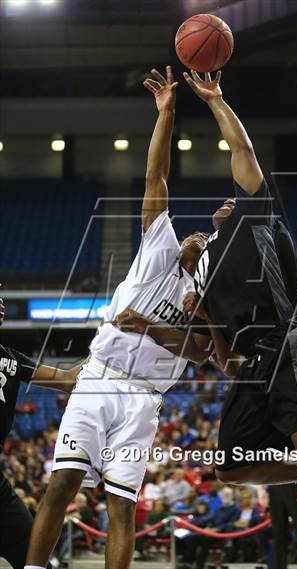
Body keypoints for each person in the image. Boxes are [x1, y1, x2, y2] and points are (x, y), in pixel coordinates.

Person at [122, 69, 297, 569]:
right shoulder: (203, 277)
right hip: (252, 364)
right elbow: (221, 360)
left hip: (288, 340)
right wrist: (200, 312)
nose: (226, 201)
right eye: (221, 203)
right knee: (231, 464)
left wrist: (214, 100)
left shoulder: (258, 217)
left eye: (232, 198)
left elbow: (242, 152)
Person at [24, 66, 210, 569]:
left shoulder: (203, 300)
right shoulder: (158, 248)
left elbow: (200, 353)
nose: (197, 237)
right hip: (99, 380)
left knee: (121, 507)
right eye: (196, 234)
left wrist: (148, 326)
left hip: (145, 400)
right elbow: (157, 175)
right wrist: (167, 112)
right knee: (60, 484)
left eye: (205, 241)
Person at [0, 297, 80, 569]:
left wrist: (108, 343)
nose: (0, 300)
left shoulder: (11, 358)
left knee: (34, 560)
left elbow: (68, 380)